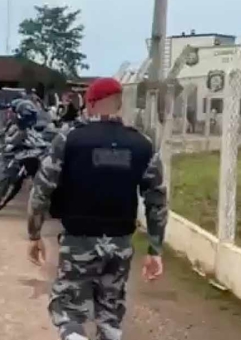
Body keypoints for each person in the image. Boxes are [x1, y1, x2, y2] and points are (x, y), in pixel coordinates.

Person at [27, 77, 168, 340]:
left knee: (67, 308)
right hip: (120, 243)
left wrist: (34, 234)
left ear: (90, 104)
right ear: (119, 103)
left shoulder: (70, 138)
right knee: (110, 314)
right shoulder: (143, 144)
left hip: (78, 241)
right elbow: (156, 199)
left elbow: (42, 187)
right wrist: (155, 249)